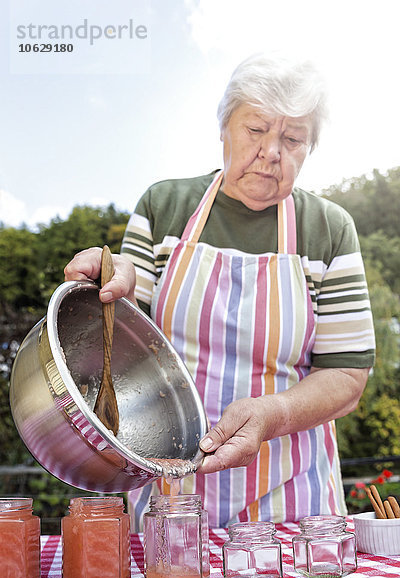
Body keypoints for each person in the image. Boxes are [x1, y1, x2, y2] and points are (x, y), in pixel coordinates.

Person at [64, 54, 375, 530]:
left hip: (292, 499)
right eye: (256, 129)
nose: (273, 151)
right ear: (224, 128)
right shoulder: (164, 207)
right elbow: (121, 346)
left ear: (309, 148)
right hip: (172, 488)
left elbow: (348, 376)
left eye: (293, 139)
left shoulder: (329, 229)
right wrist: (114, 282)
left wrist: (273, 414)